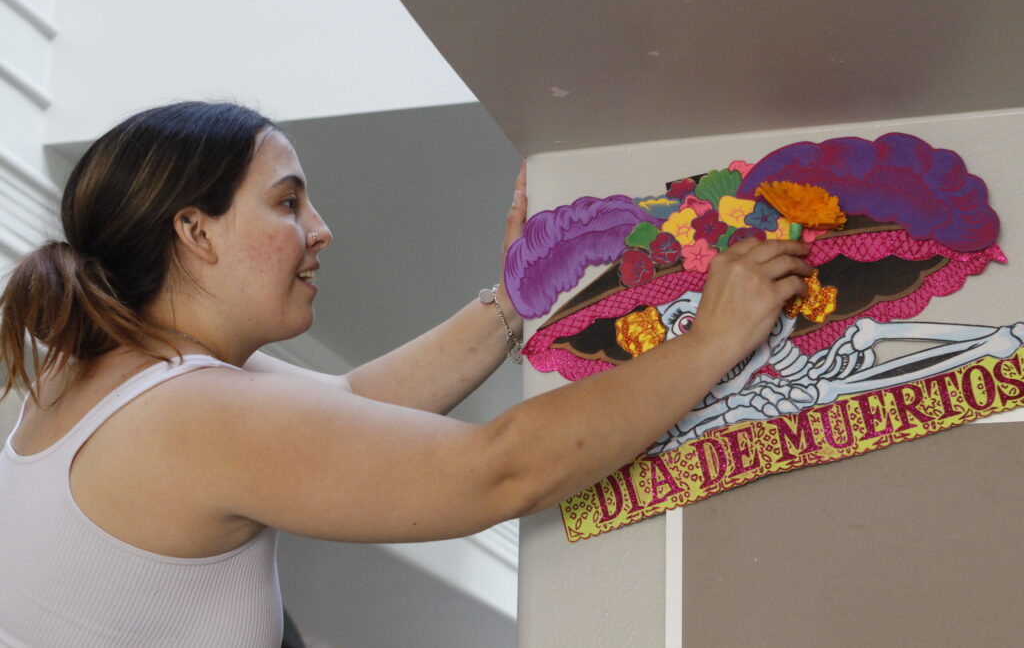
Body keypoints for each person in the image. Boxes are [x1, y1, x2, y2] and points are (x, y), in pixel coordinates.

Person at [0, 102, 812, 646]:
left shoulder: (111, 379)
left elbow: (351, 405)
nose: (320, 229)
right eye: (286, 203)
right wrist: (710, 340)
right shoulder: (187, 414)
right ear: (195, 231)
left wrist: (513, 300)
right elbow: (497, 470)